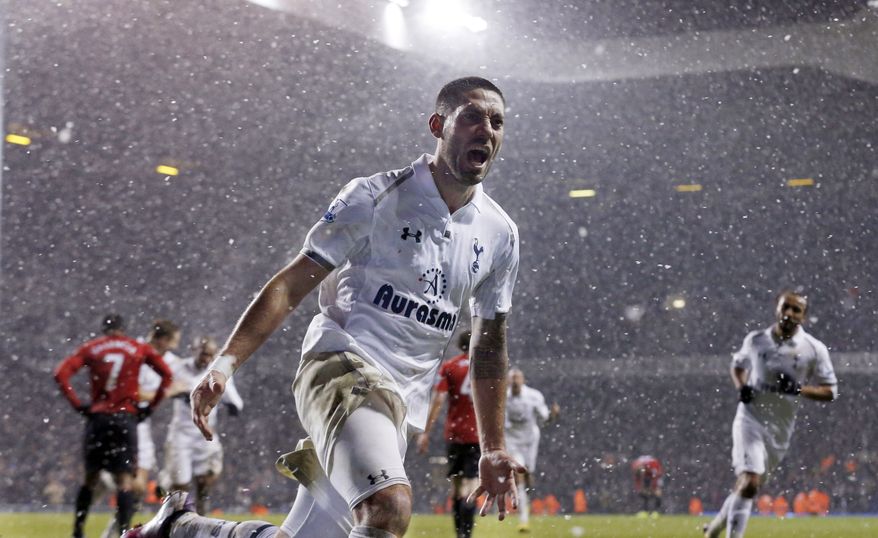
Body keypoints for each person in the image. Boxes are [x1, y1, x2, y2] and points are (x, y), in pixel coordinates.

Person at [125, 76, 522, 538]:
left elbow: (489, 345)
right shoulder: (375, 196)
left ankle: (182, 529)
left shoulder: (501, 233)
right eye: (471, 116)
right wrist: (224, 364)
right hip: (340, 365)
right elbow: (290, 285)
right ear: (438, 124)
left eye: (496, 122)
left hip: (398, 404)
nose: (486, 130)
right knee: (389, 509)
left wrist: (493, 446)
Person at [703, 291, 838, 538]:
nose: (789, 313)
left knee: (746, 487)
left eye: (796, 310)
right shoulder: (756, 340)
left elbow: (830, 392)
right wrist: (741, 386)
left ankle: (712, 530)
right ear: (776, 309)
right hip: (750, 419)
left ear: (804, 317)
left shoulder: (814, 350)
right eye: (785, 307)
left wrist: (798, 389)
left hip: (780, 430)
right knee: (750, 482)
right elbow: (738, 366)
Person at [54, 313, 173, 538]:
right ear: (123, 328)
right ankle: (124, 532)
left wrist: (79, 406)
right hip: (125, 419)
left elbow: (61, 374)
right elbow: (166, 376)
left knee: (90, 478)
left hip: (98, 419)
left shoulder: (92, 348)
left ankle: (78, 530)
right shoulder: (136, 348)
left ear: (104, 329)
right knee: (125, 481)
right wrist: (149, 408)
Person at [161, 336, 244, 514]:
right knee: (180, 485)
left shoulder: (217, 373)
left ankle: (200, 520)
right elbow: (165, 390)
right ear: (194, 350)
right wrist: (179, 392)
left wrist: (227, 404)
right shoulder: (180, 368)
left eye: (209, 355)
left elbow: (236, 403)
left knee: (204, 482)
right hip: (181, 434)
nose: (206, 358)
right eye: (203, 353)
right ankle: (176, 522)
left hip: (204, 436)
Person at [416, 330, 479, 538]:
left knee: (457, 486)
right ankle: (466, 535)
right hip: (477, 435)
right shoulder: (483, 367)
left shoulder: (449, 367)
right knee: (470, 487)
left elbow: (439, 400)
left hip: (455, 434)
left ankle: (459, 533)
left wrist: (426, 432)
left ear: (460, 345)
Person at [504, 367, 560, 533]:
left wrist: (553, 415)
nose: (514, 382)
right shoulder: (501, 397)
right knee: (518, 474)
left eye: (517, 378)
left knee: (528, 476)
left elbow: (545, 420)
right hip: (512, 440)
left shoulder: (534, 396)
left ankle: (526, 500)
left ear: (523, 381)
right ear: (508, 381)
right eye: (512, 379)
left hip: (530, 440)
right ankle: (524, 518)